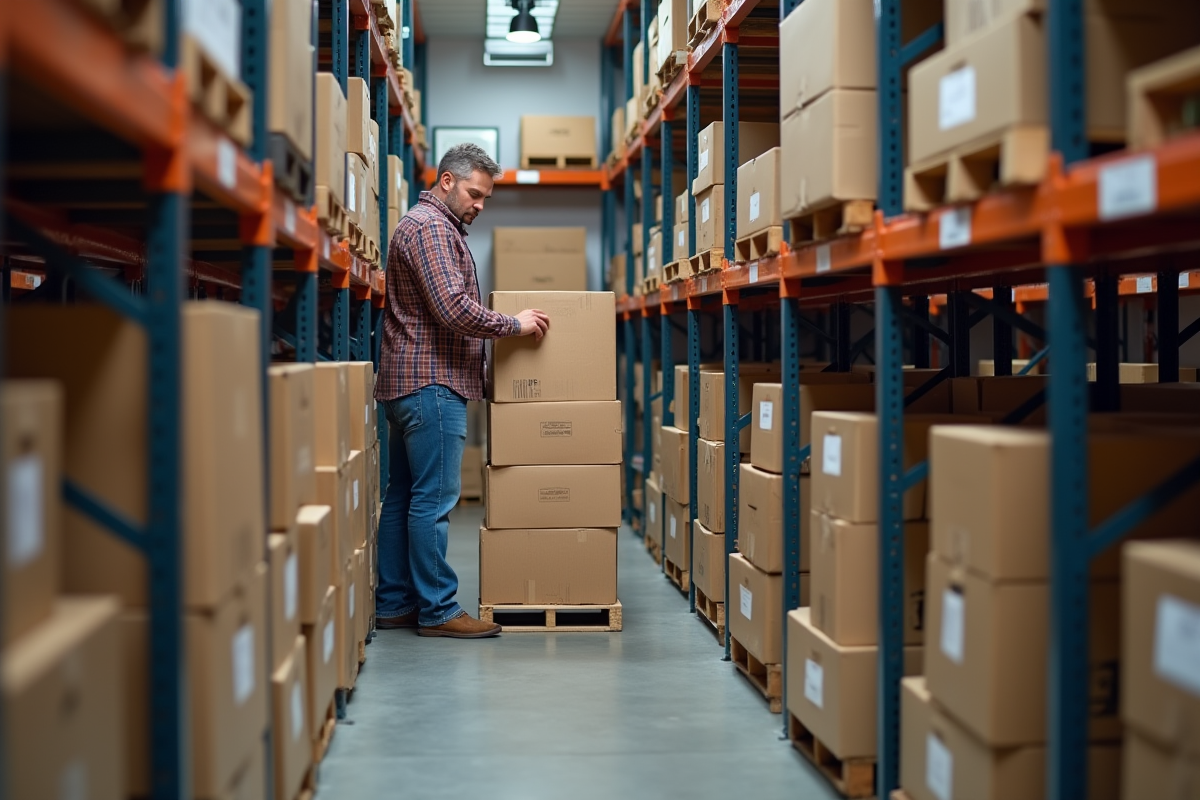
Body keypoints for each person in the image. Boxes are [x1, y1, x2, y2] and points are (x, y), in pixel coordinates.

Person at [373, 143, 550, 638]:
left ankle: (394, 604)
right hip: (430, 384)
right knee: (435, 500)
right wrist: (513, 325)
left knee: (405, 494)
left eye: (486, 198)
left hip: (411, 383)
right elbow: (453, 308)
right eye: (475, 194)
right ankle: (438, 610)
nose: (479, 205)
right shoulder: (430, 228)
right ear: (447, 181)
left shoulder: (430, 225)